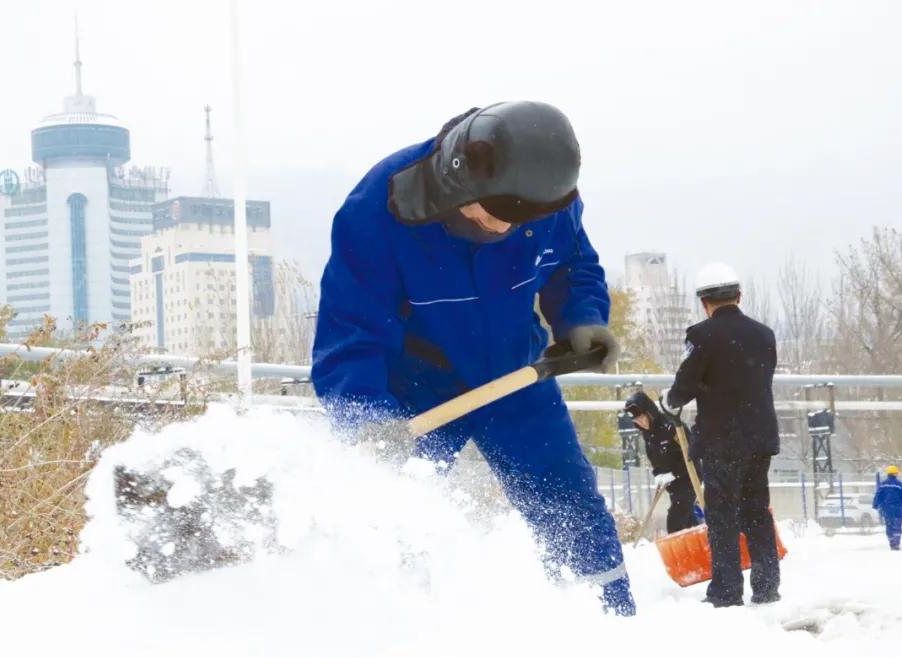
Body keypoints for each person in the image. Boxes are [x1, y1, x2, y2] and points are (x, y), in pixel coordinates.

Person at [311, 101, 635, 615]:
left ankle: (608, 620)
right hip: (414, 388)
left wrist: (582, 319)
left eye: (518, 222)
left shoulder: (547, 198)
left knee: (569, 505)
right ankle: (395, 630)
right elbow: (351, 332)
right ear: (460, 185)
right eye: (492, 216)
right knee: (394, 517)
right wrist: (367, 417)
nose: (504, 230)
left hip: (514, 372)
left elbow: (573, 264)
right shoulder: (380, 207)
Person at [663, 262, 781, 607]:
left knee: (722, 515)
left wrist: (670, 402)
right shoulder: (765, 334)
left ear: (704, 302)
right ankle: (767, 585)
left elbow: (684, 385)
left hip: (721, 441)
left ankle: (726, 591)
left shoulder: (701, 335)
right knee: (757, 511)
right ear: (739, 295)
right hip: (760, 437)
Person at [623, 391, 699, 533]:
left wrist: (674, 473)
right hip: (673, 483)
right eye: (636, 421)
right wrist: (658, 474)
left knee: (676, 517)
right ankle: (697, 544)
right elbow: (654, 459)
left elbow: (691, 455)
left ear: (649, 412)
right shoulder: (648, 434)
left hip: (689, 478)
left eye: (641, 417)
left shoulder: (671, 427)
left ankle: (675, 550)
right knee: (687, 519)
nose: (640, 423)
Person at [873, 465, 902, 550]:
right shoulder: (899, 484)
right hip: (898, 509)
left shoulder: (883, 484)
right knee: (897, 526)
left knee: (889, 525)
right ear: (896, 473)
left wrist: (875, 504)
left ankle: (892, 542)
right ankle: (896, 543)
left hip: (887, 509)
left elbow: (878, 495)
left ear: (888, 474)